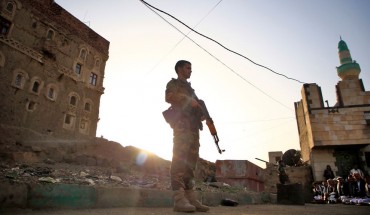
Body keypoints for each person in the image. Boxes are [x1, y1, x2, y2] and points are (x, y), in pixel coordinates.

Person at [164, 60, 209, 212]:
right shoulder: (174, 84)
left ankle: (190, 197)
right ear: (179, 69)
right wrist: (189, 100)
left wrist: (201, 112)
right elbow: (169, 96)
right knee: (179, 159)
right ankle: (179, 198)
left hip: (193, 126)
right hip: (182, 125)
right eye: (188, 68)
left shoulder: (191, 89)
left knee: (191, 161)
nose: (191, 70)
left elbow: (197, 104)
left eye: (191, 68)